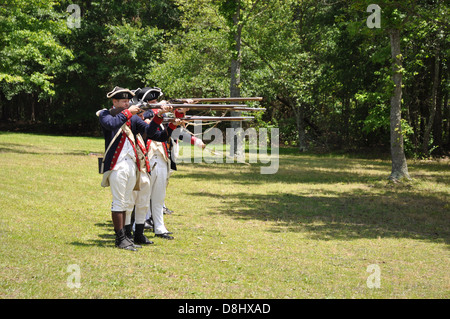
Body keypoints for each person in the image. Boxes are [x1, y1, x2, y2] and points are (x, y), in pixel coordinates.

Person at [97, 86, 178, 251]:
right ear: (115, 101)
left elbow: (153, 133)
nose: (127, 103)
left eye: (128, 100)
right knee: (119, 202)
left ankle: (127, 237)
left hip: (132, 165)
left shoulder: (132, 118)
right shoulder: (106, 114)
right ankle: (120, 238)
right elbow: (111, 124)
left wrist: (162, 118)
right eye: (124, 101)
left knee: (128, 203)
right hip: (116, 165)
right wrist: (130, 112)